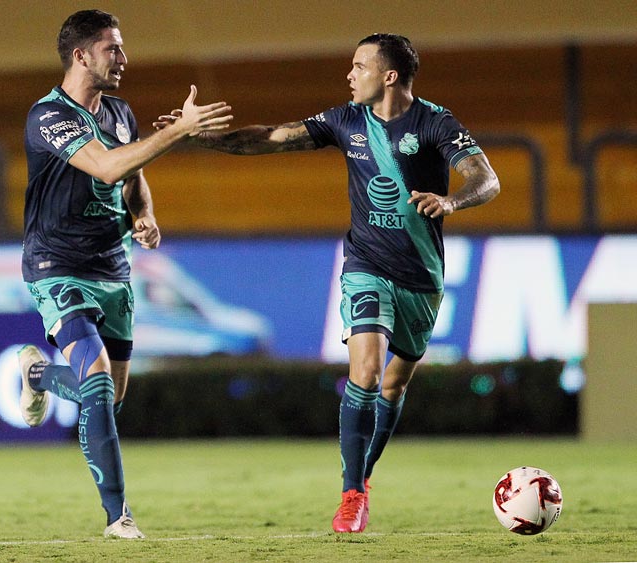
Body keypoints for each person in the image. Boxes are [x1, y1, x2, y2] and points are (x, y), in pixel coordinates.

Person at [155, 33, 500, 533]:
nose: (349, 74)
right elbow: (271, 137)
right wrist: (198, 137)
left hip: (422, 278)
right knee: (365, 368)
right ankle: (352, 493)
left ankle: (364, 473)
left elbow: (485, 179)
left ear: (389, 76)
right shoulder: (344, 120)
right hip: (365, 265)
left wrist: (451, 201)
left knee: (395, 383)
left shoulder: (435, 123)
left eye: (359, 66)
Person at [17, 9, 232, 540]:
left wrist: (144, 214)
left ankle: (38, 375)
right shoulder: (49, 116)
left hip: (112, 267)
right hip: (57, 265)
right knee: (94, 387)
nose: (124, 58)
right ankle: (119, 518)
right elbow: (107, 166)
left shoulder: (119, 112)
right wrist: (182, 130)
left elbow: (131, 177)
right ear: (81, 55)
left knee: (109, 398)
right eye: (113, 48)